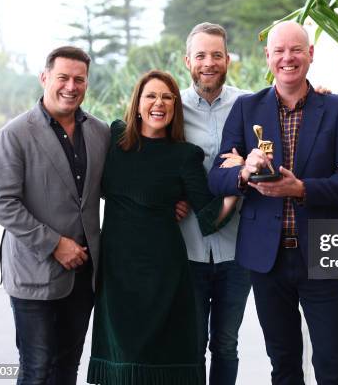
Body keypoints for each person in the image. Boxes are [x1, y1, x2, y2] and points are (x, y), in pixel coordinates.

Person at [208, 21, 338, 385]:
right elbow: (217, 176)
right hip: (266, 258)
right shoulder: (248, 109)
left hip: (323, 251)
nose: (287, 58)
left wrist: (301, 189)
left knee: (333, 364)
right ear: (268, 57)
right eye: (279, 51)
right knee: (284, 364)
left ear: (310, 54)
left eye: (296, 50)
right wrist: (244, 170)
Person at [87, 70, 239, 385]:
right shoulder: (115, 138)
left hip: (164, 275)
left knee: (165, 364)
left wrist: (237, 182)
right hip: (117, 274)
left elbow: (210, 217)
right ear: (137, 103)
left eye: (167, 97)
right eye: (151, 96)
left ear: (175, 107)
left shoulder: (184, 156)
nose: (159, 103)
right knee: (122, 364)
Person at [0, 46, 110, 385]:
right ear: (45, 78)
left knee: (67, 367)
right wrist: (55, 244)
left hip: (85, 274)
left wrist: (169, 202)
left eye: (79, 79)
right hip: (33, 272)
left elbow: (118, 187)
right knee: (36, 368)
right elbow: (1, 202)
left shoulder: (100, 132)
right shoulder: (15, 133)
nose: (71, 86)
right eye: (63, 78)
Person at [177, 22, 252, 385]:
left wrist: (319, 92)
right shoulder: (170, 106)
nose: (209, 63)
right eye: (201, 55)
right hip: (186, 247)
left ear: (228, 60)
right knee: (190, 344)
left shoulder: (251, 104)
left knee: (226, 343)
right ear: (187, 60)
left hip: (238, 250)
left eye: (217, 55)